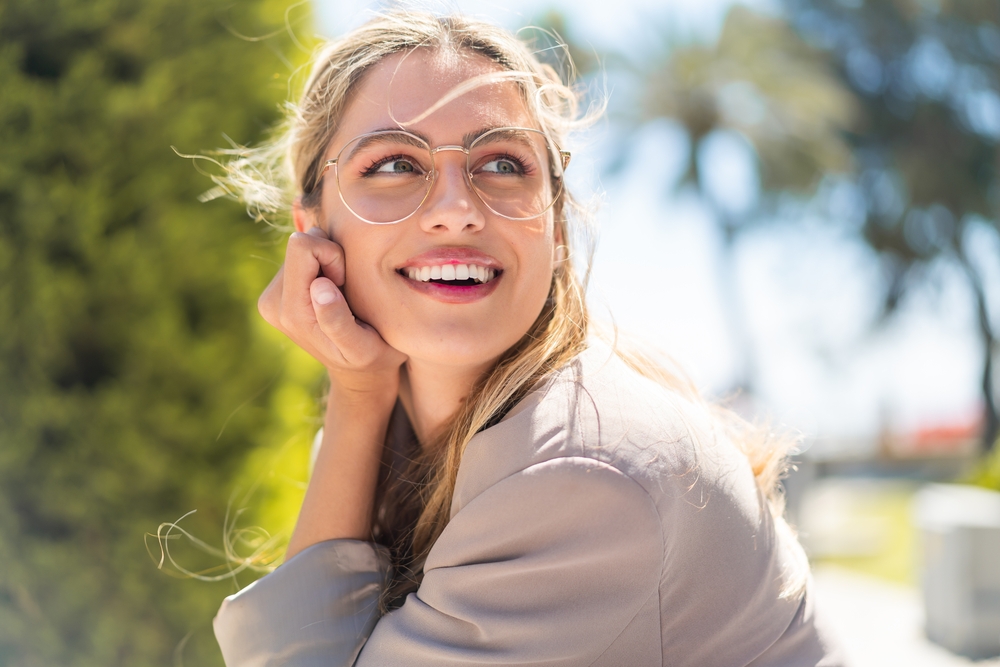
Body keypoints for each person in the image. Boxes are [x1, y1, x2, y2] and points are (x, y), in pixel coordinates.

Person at [210, 11, 842, 666]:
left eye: (503, 164)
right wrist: (358, 397)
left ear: (557, 227)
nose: (456, 206)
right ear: (313, 230)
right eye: (396, 162)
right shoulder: (395, 432)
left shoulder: (577, 475)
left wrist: (354, 398)